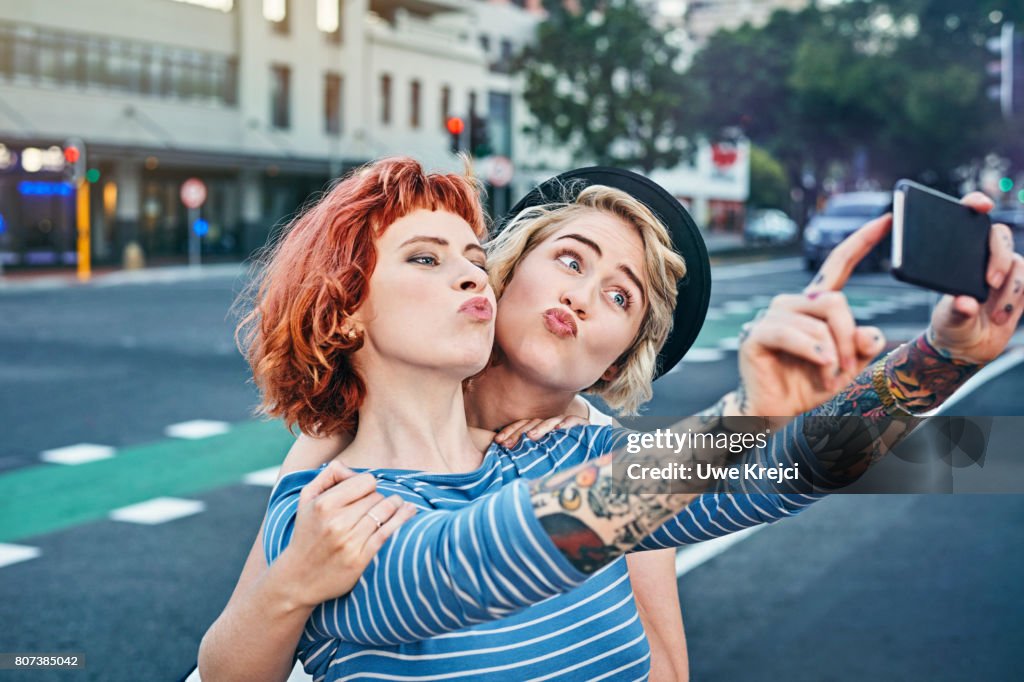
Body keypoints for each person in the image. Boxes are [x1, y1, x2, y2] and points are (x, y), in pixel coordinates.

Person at [199, 160, 1022, 680]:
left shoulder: (571, 449)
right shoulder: (325, 511)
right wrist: (744, 415)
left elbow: (790, 472)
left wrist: (945, 358)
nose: (467, 274)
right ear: (343, 313)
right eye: (425, 258)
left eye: (621, 296)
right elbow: (490, 557)